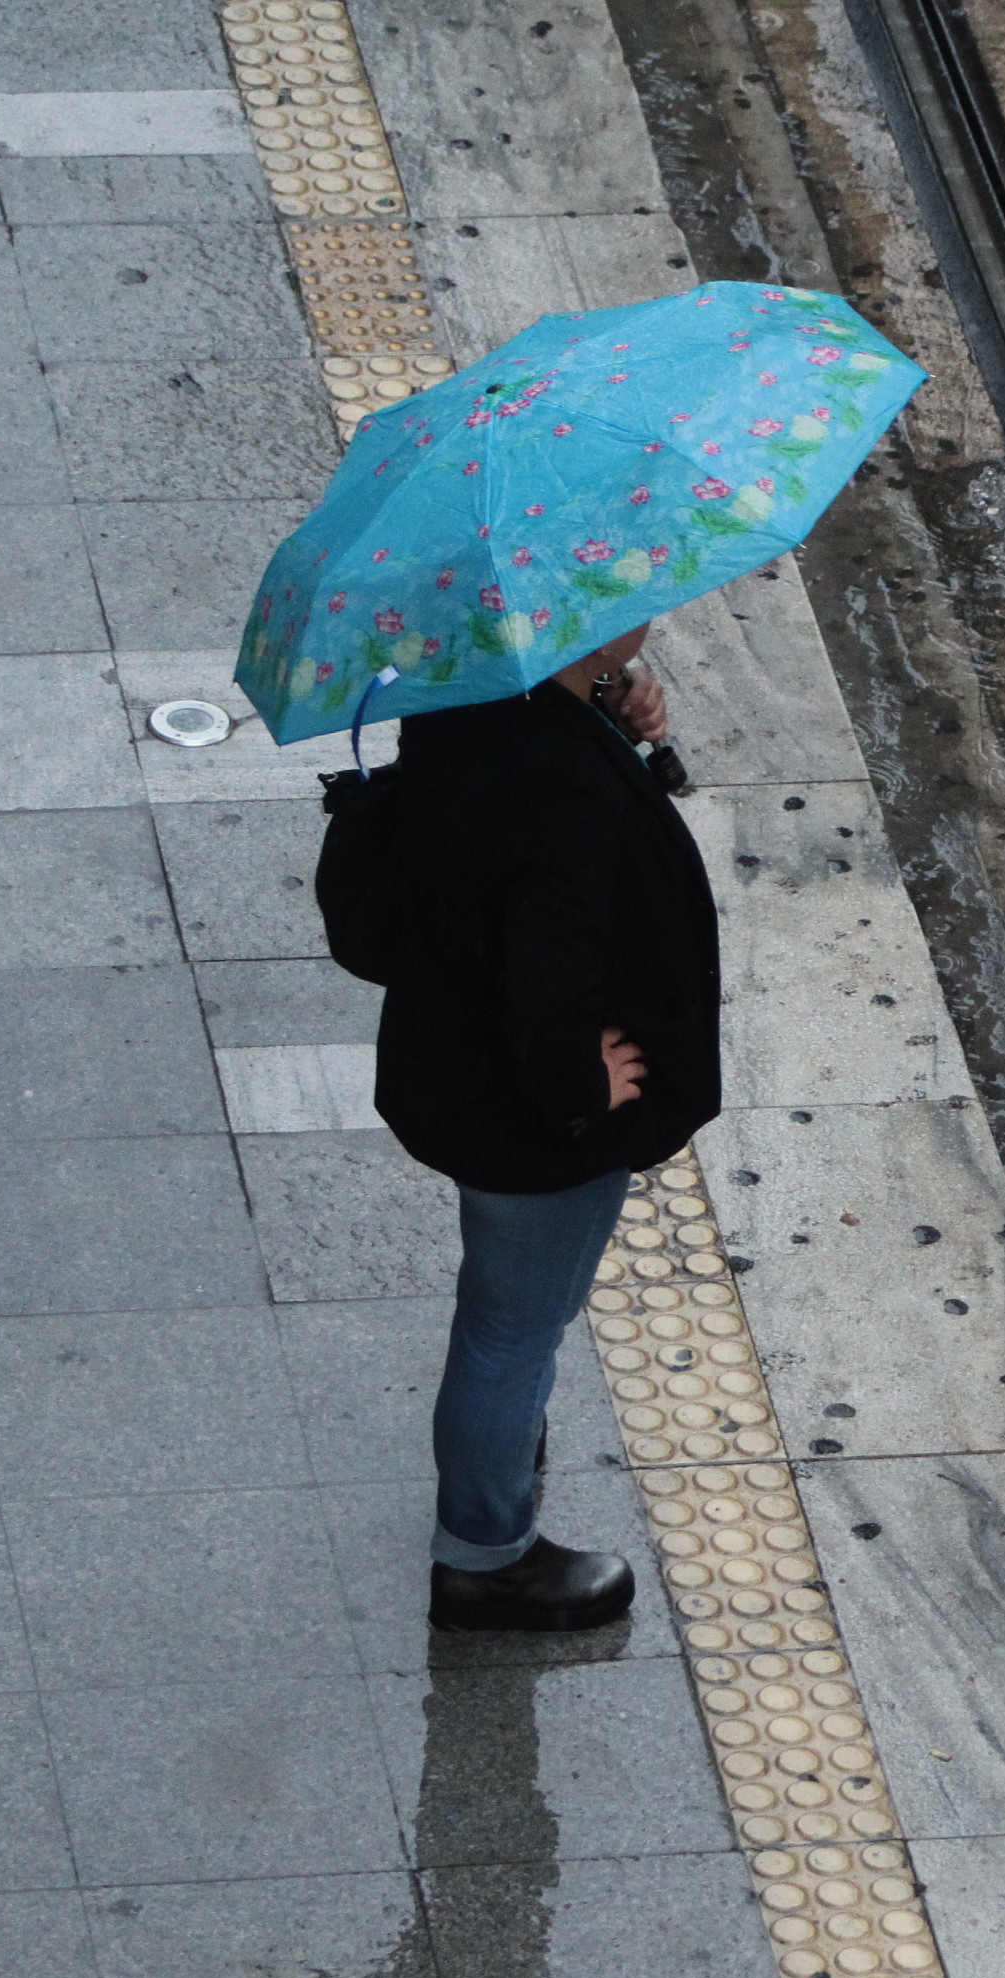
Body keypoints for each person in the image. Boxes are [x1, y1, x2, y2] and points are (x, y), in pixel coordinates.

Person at [359, 623, 720, 1631]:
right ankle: (485, 1555)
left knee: (506, 1318)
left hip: (455, 1068)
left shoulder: (465, 691)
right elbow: (549, 977)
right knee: (511, 1329)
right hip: (527, 1119)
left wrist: (611, 702)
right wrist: (581, 1092)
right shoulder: (560, 791)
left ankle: (502, 1443)